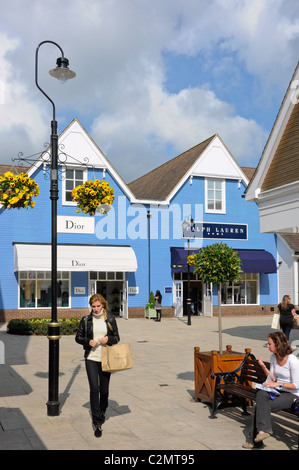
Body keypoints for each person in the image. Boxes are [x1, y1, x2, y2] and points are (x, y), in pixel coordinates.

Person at [243, 331, 299, 448]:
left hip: (292, 395)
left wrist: (278, 384)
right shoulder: (274, 356)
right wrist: (263, 366)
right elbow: (272, 377)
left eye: (269, 344)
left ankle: (254, 439)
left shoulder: (292, 360)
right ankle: (262, 432)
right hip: (278, 391)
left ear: (278, 344)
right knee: (261, 394)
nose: (267, 346)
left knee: (261, 406)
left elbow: (296, 385)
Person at [75, 293, 120, 437]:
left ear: (103, 305)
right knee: (94, 388)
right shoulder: (86, 320)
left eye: (98, 306)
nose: (95, 309)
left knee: (104, 390)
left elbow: (117, 337)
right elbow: (78, 337)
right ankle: (97, 421)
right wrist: (88, 341)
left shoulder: (110, 318)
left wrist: (109, 339)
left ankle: (102, 410)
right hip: (91, 358)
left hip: (106, 358)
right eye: (93, 306)